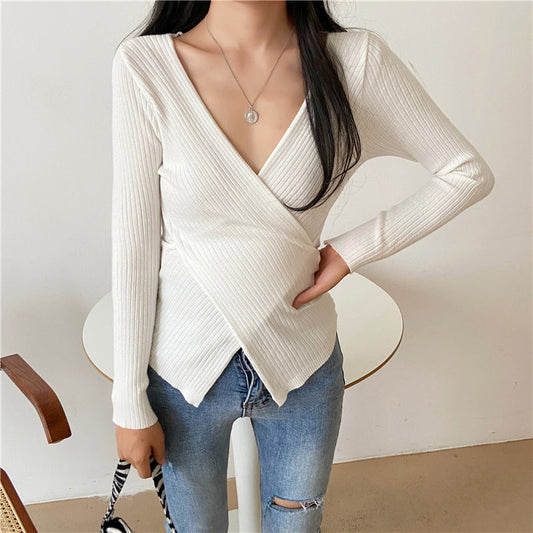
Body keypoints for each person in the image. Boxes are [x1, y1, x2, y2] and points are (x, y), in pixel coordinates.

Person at [110, 1, 495, 531]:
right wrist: (129, 403)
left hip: (303, 366)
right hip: (181, 372)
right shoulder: (145, 67)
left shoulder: (355, 63)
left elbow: (466, 172)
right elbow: (133, 247)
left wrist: (350, 251)